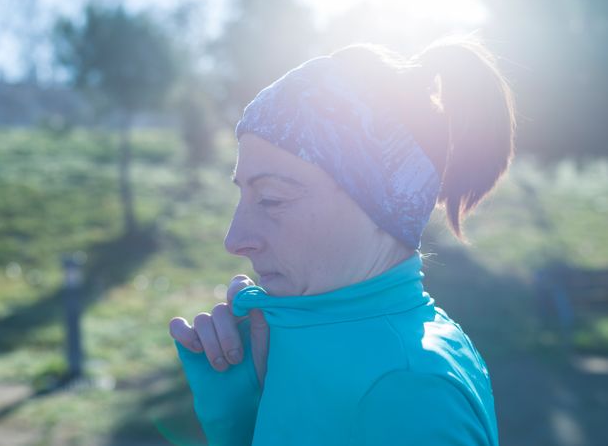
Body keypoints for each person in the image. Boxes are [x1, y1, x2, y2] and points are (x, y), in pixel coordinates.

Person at [168, 32, 516, 446]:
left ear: (378, 207)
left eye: (272, 199)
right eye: (242, 194)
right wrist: (244, 420)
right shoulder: (314, 341)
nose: (235, 239)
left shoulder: (408, 391)